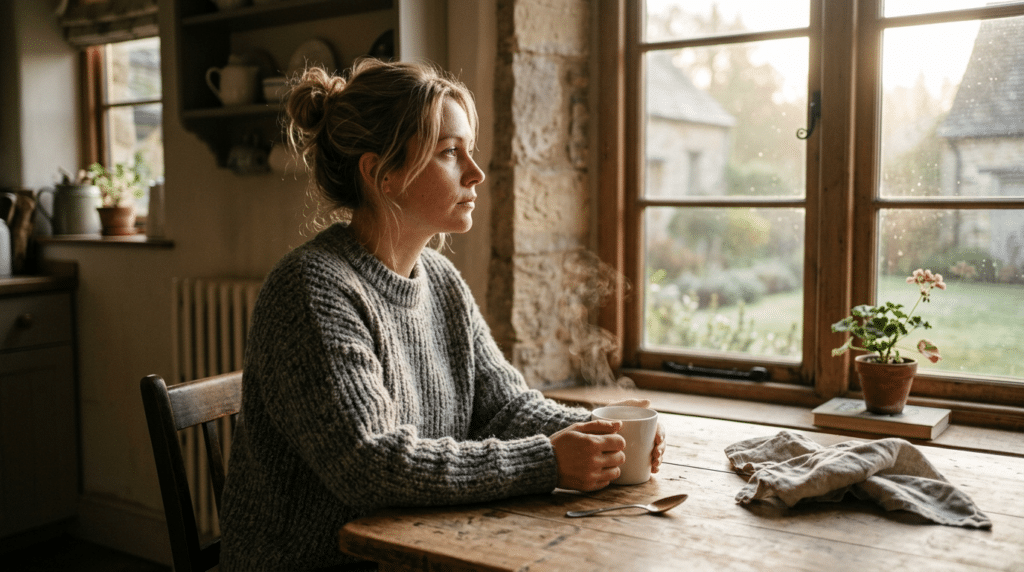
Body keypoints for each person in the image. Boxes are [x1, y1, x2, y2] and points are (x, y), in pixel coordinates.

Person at [219, 58, 666, 571]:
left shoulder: (441, 279)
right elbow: (371, 464)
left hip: (413, 553)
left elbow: (503, 408)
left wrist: (600, 433)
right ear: (382, 174)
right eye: (451, 152)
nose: (476, 173)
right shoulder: (312, 289)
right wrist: (546, 461)